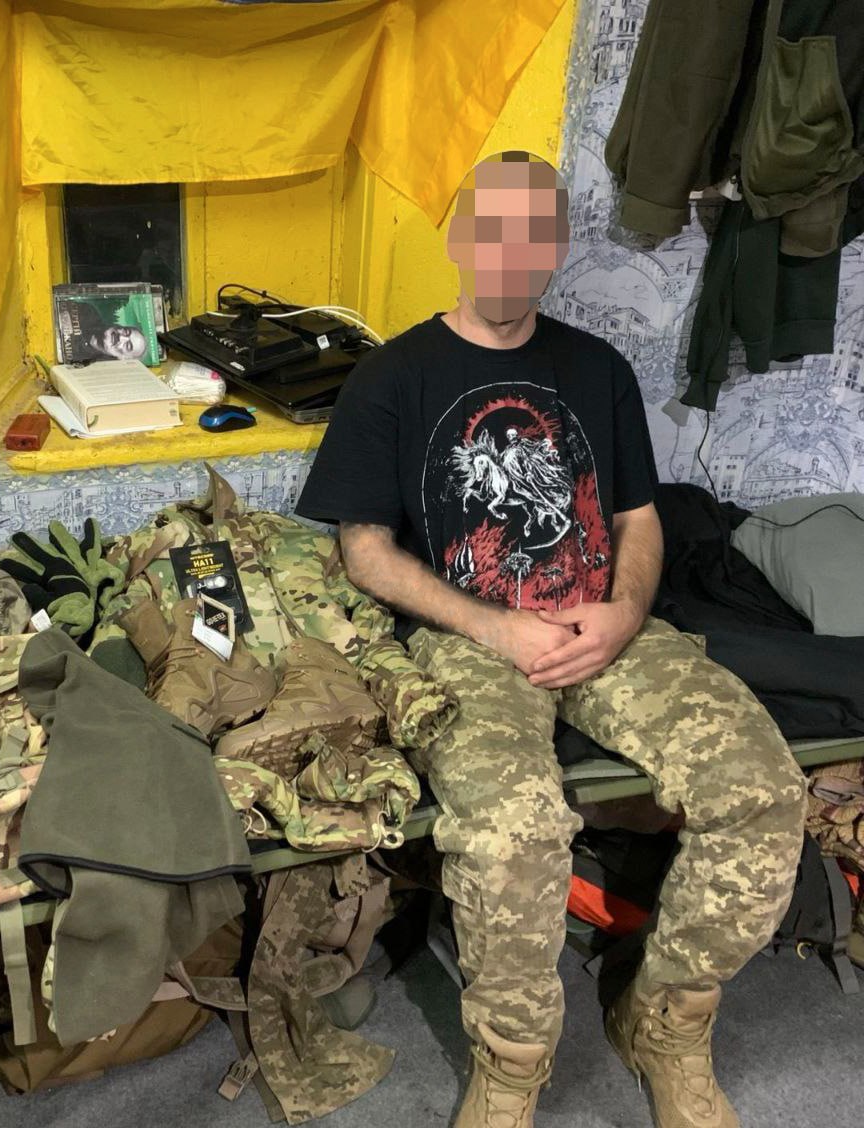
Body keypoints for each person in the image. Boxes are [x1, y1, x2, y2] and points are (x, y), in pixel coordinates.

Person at [295, 150, 806, 1128]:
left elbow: (641, 524)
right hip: (470, 641)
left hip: (607, 628)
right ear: (456, 238)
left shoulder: (596, 369)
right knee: (510, 828)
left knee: (762, 792)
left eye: (533, 231)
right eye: (490, 229)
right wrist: (497, 627)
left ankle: (667, 1022)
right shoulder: (393, 377)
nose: (510, 252)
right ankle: (513, 1067)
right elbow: (363, 551)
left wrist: (622, 612)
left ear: (556, 245)